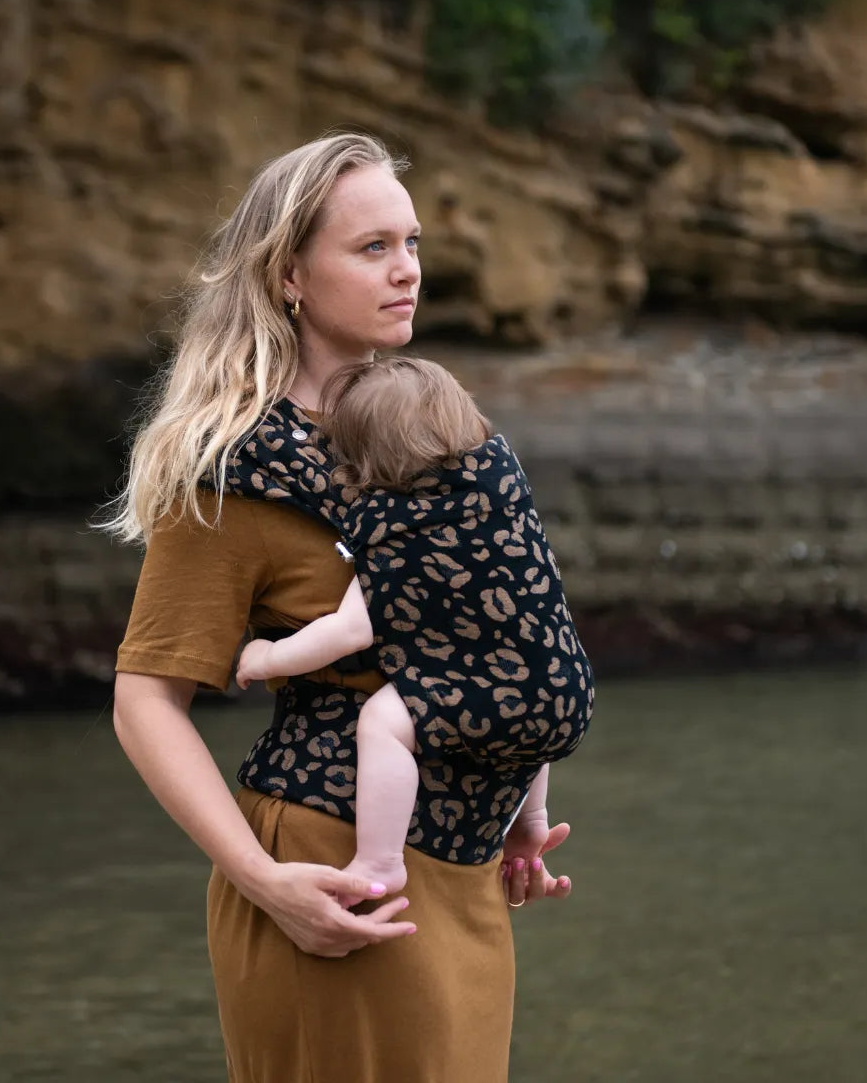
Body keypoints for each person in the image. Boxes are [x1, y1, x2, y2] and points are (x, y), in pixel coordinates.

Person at [109, 132, 579, 1083]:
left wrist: (521, 807)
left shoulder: (425, 431)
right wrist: (265, 882)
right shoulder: (235, 469)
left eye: (411, 244)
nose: (407, 271)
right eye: (372, 248)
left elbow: (505, 635)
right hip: (332, 878)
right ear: (289, 275)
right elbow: (144, 703)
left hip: (459, 869)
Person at [233, 355, 594, 901]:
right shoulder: (500, 488)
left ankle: (379, 860)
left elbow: (351, 630)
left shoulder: (394, 528)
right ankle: (531, 818)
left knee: (383, 721)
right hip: (567, 691)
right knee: (526, 677)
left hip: (497, 699)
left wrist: (266, 659)